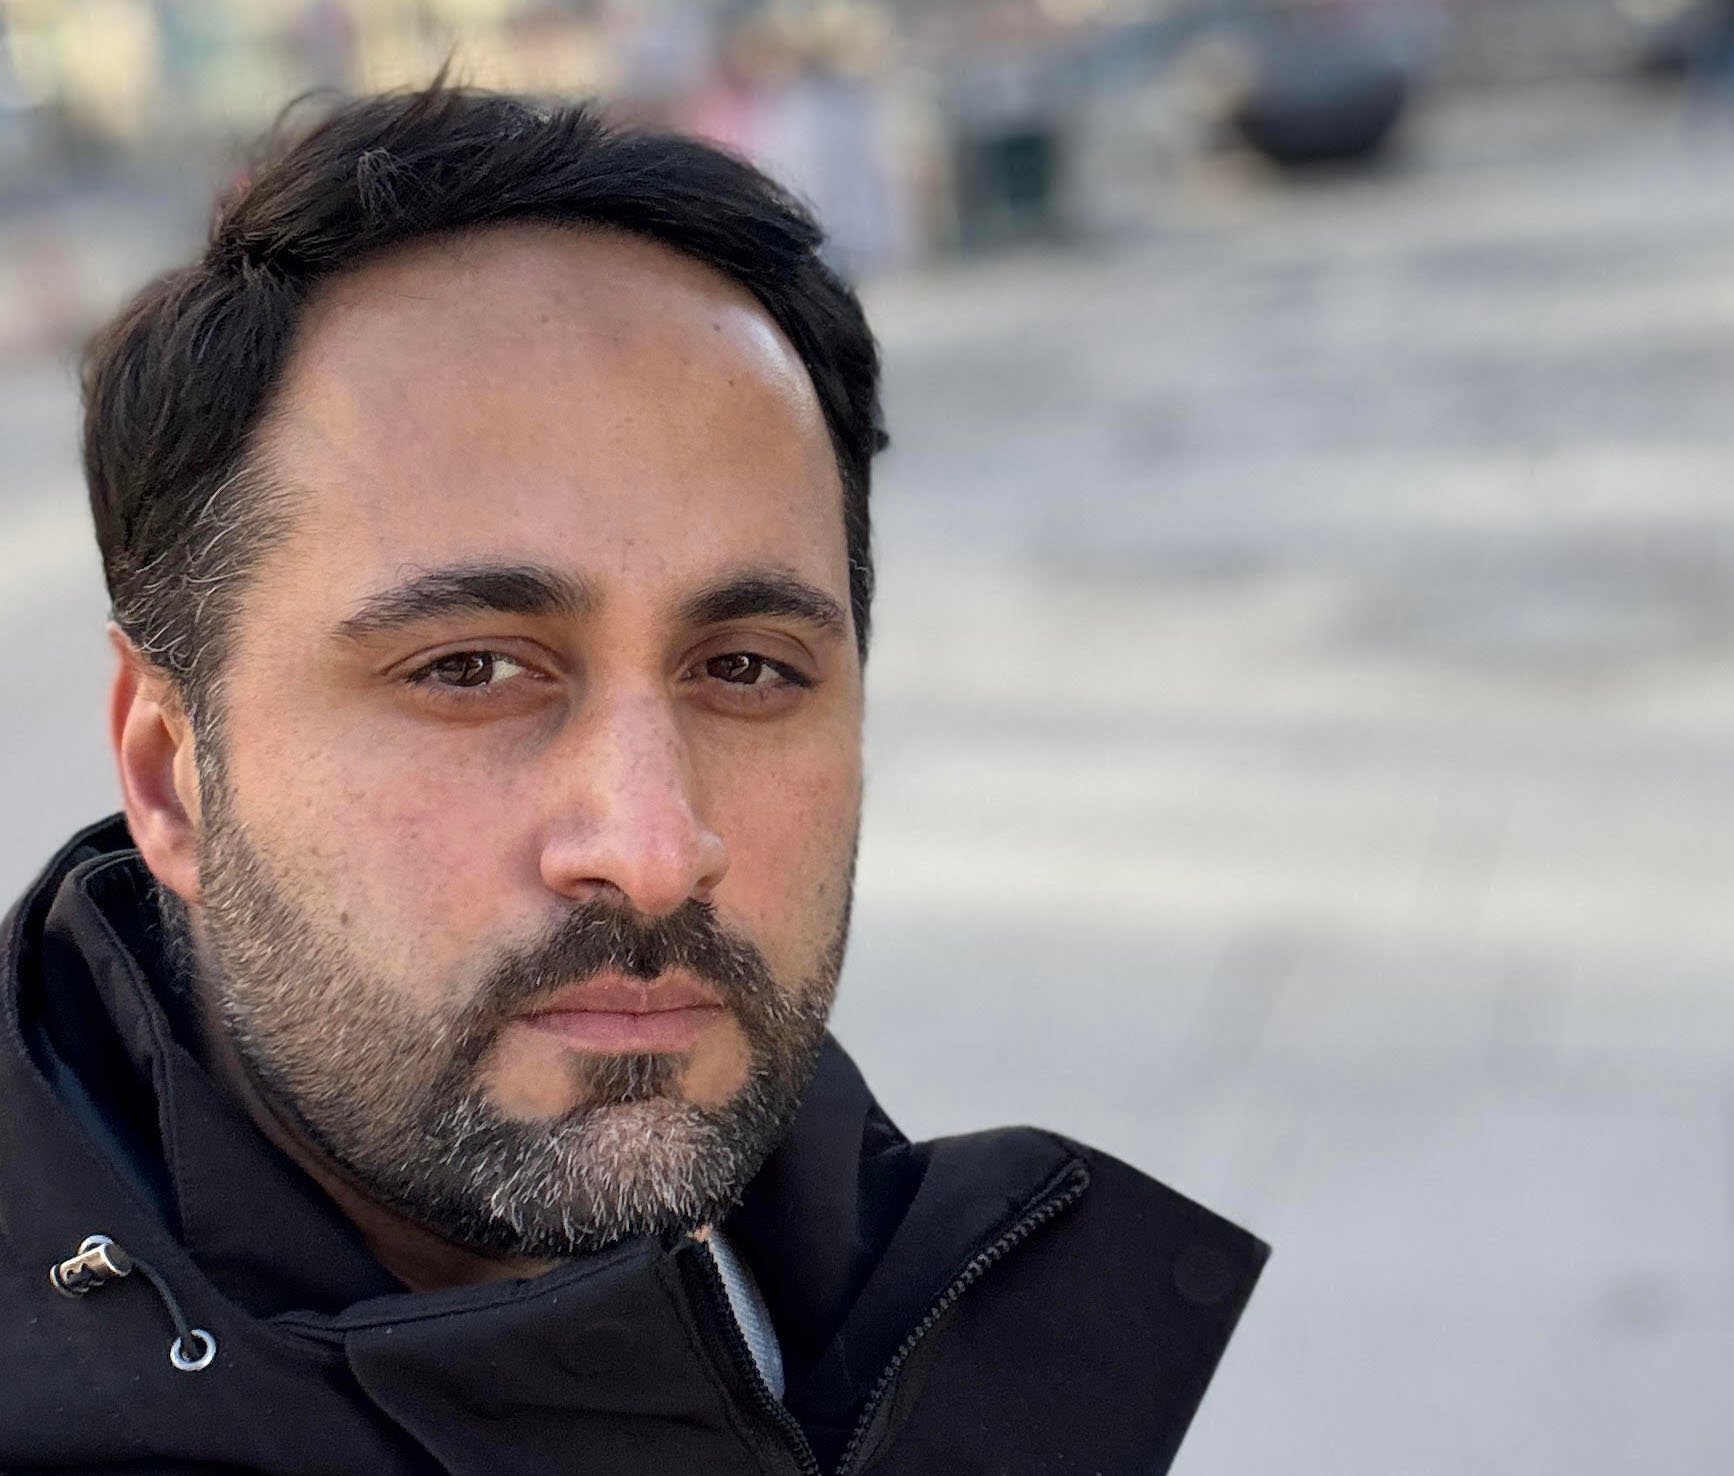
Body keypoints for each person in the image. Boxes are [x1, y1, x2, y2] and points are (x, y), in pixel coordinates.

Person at [0, 82, 1267, 1474]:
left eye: (746, 668)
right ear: (169, 772)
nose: (656, 851)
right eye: (471, 669)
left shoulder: (925, 1331)